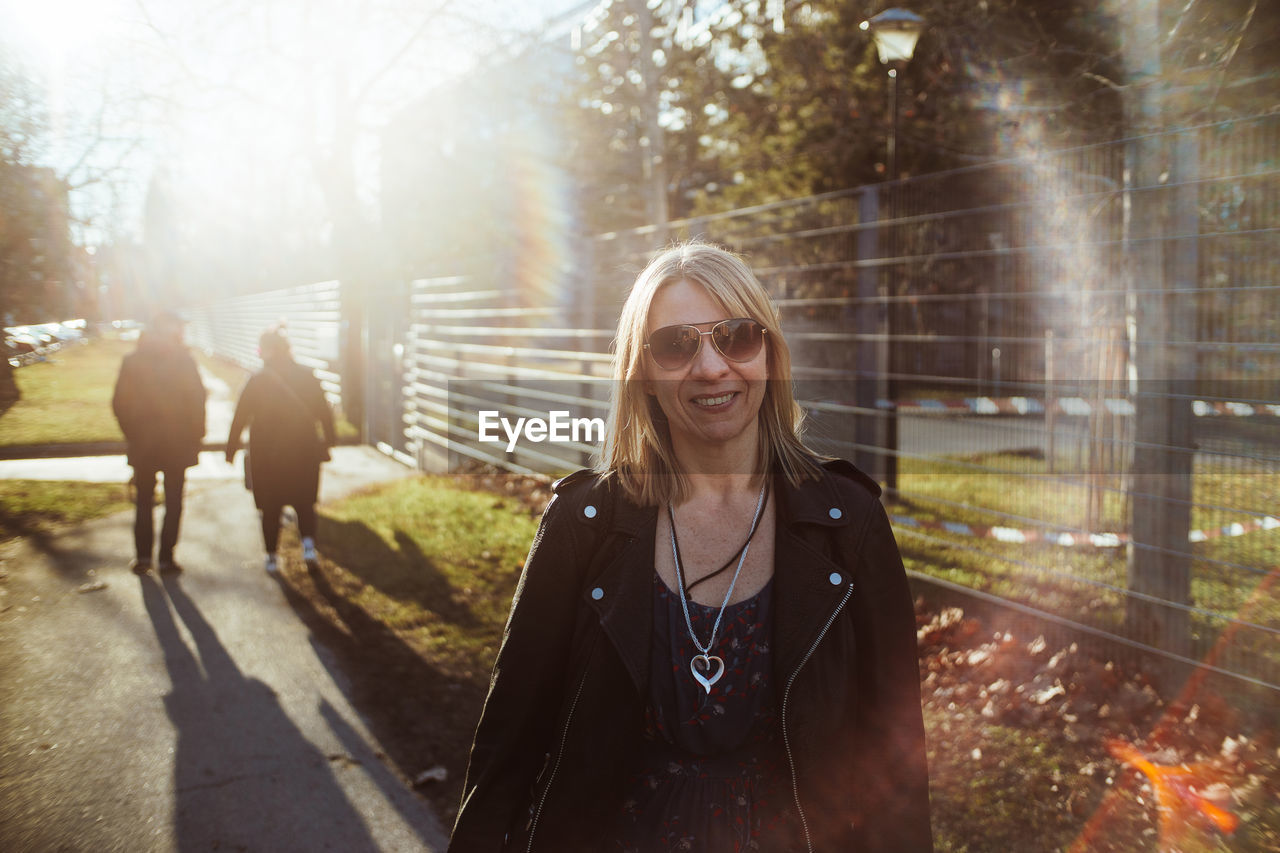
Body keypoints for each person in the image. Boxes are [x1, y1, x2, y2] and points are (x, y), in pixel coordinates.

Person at [450, 242, 931, 852]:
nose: (710, 367)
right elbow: (508, 747)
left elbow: (895, 755)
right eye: (676, 345)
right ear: (642, 373)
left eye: (736, 336)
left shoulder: (848, 521)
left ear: (770, 355)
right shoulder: (583, 523)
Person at [224, 327, 336, 573]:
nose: (259, 353)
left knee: (270, 505)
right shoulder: (307, 376)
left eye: (260, 348)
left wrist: (231, 448)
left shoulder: (257, 380)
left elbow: (240, 415)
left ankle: (272, 557)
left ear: (270, 350)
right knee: (304, 501)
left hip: (266, 453)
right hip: (303, 449)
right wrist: (329, 441)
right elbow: (324, 412)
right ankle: (308, 547)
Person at [112, 310, 207, 574]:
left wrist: (131, 432)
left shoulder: (133, 361)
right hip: (176, 443)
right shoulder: (184, 361)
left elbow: (119, 402)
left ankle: (143, 557)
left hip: (143, 443)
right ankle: (166, 557)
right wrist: (195, 436)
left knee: (144, 499)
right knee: (174, 500)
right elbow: (198, 400)